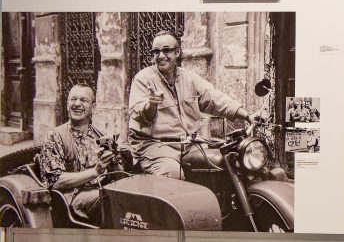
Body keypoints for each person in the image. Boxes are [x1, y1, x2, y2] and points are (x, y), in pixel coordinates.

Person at [127, 31, 261, 180]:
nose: (160, 56)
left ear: (177, 52)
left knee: (222, 164)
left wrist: (247, 115)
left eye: (166, 50)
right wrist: (151, 105)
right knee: (173, 175)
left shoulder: (189, 78)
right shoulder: (143, 79)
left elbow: (214, 98)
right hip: (155, 146)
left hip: (188, 145)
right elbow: (138, 115)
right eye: (156, 51)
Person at [36, 85, 121, 224]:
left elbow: (116, 175)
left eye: (83, 100)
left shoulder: (102, 136)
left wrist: (116, 160)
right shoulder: (54, 136)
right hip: (70, 199)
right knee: (112, 198)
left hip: (101, 190)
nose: (77, 104)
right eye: (73, 99)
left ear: (93, 107)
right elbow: (55, 182)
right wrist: (95, 171)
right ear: (67, 104)